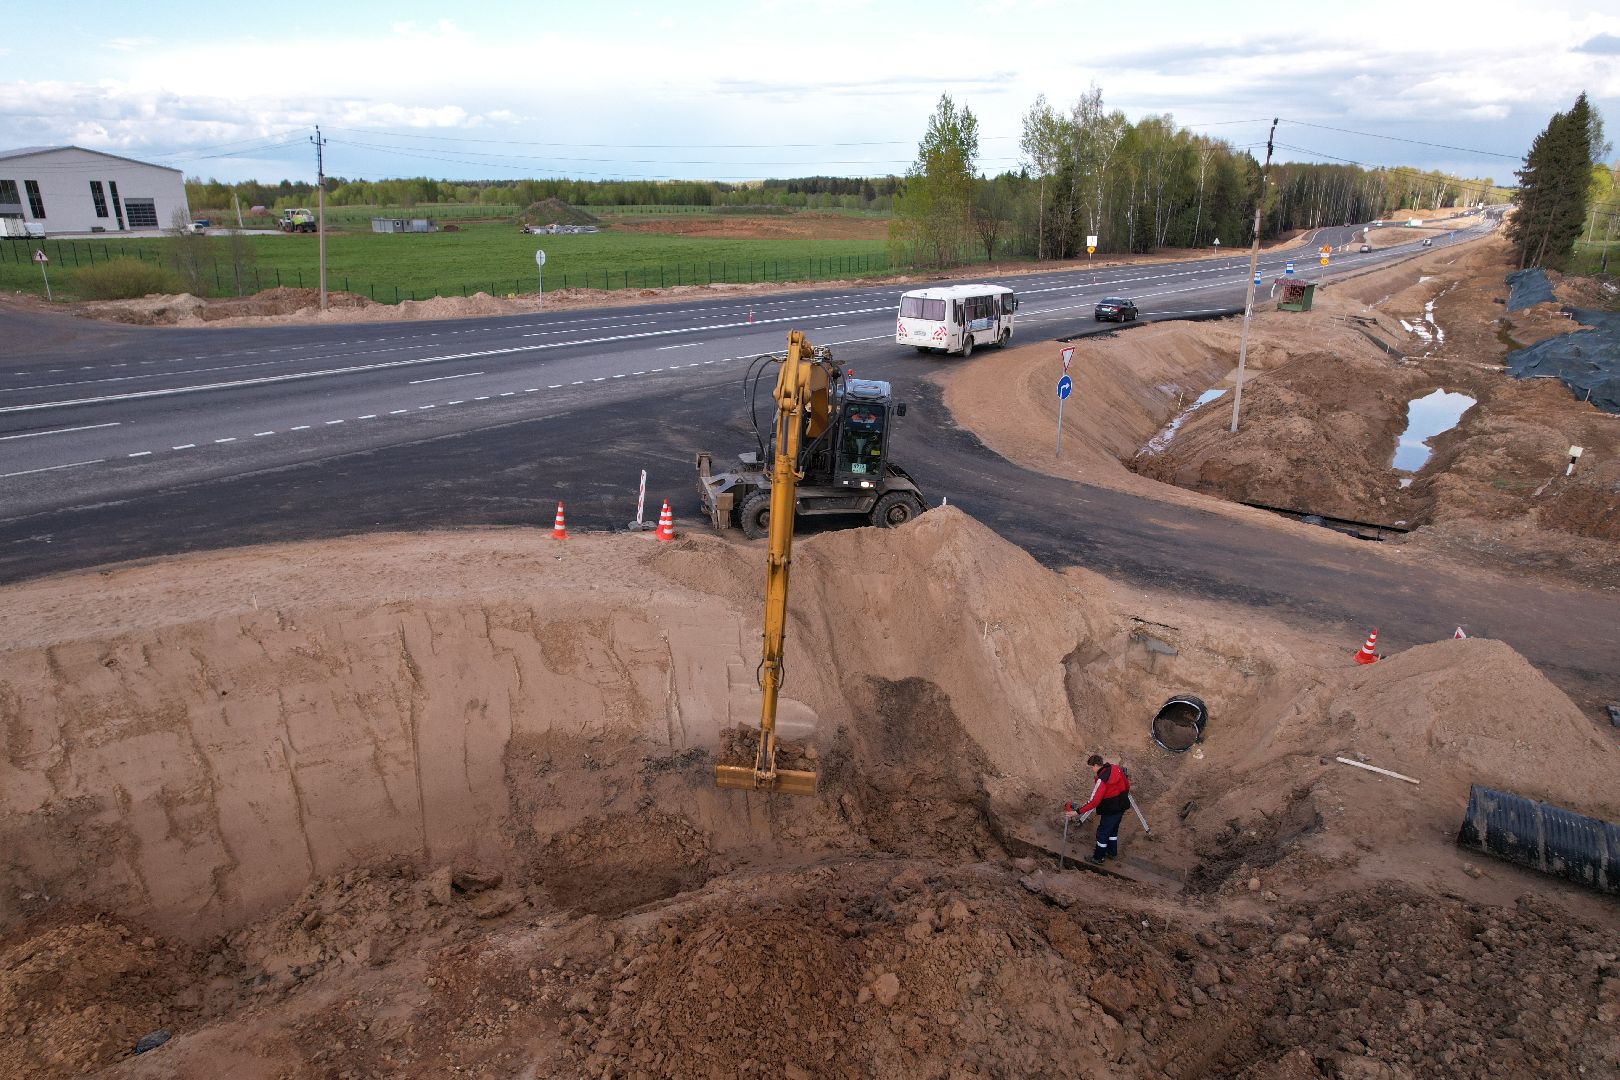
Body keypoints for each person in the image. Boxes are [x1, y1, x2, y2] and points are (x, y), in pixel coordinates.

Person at [1065, 755, 1131, 863]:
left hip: (1110, 809)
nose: (1092, 770)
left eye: (1092, 767)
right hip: (1121, 805)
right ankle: (1112, 852)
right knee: (1113, 830)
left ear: (1096, 765)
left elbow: (1093, 802)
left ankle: (1098, 857)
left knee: (1102, 833)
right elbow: (1127, 785)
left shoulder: (1102, 780)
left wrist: (1076, 812)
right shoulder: (1116, 768)